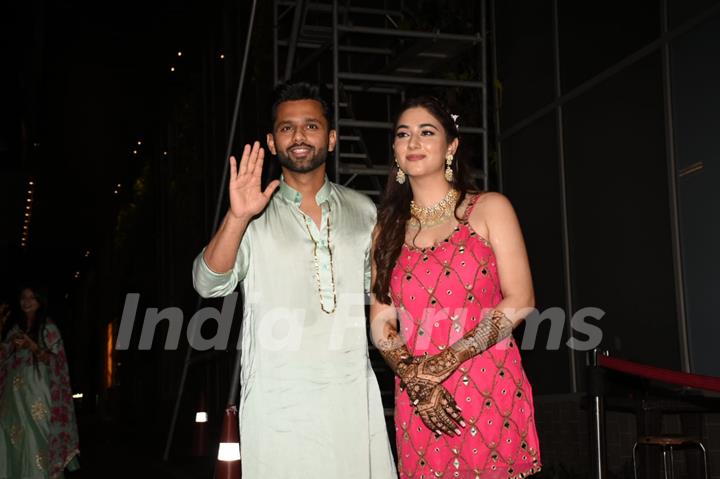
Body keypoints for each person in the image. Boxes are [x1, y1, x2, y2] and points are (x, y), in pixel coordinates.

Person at [192, 82, 396, 478]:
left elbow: (387, 293)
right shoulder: (252, 215)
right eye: (286, 128)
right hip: (277, 406)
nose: (299, 136)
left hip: (350, 403)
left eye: (311, 126)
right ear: (271, 142)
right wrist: (237, 217)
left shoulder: (363, 210)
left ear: (332, 138)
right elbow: (208, 283)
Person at [370, 96, 542, 478]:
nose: (413, 142)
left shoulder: (489, 208)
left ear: (451, 146)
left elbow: (522, 299)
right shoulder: (386, 228)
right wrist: (416, 377)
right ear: (395, 150)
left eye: (426, 132)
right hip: (421, 399)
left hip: (489, 381)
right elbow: (381, 320)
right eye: (403, 134)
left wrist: (442, 364)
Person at [0, 286, 80, 479]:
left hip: (38, 399)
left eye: (31, 298)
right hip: (14, 402)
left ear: (40, 301)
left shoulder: (48, 327)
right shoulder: (15, 330)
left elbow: (57, 362)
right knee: (15, 445)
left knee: (37, 443)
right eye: (23, 298)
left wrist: (34, 347)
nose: (26, 302)